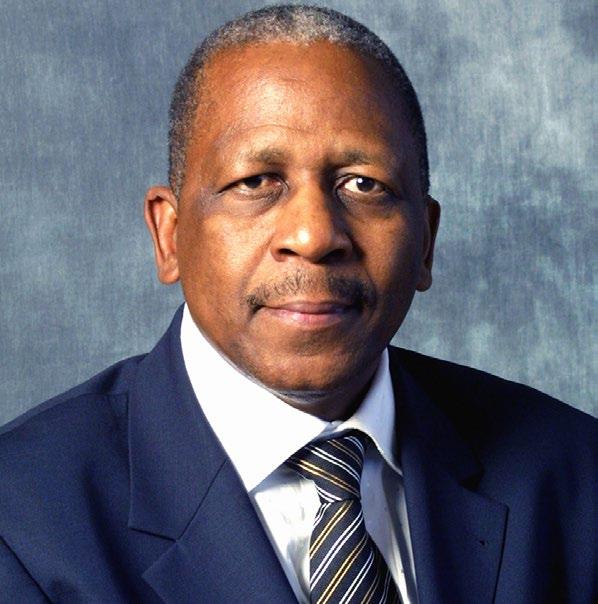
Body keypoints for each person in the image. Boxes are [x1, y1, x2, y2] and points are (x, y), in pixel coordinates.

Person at [0, 4, 595, 603]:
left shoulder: (576, 477)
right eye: (256, 182)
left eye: (364, 184)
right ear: (170, 235)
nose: (313, 235)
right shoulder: (21, 521)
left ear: (425, 243)